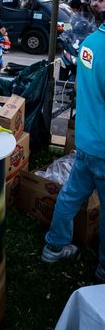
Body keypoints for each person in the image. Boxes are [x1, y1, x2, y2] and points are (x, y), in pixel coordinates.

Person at [41, 21, 105, 283]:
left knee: (70, 196)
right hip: (102, 147)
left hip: (87, 140)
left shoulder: (90, 42)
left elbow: (79, 87)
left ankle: (54, 247)